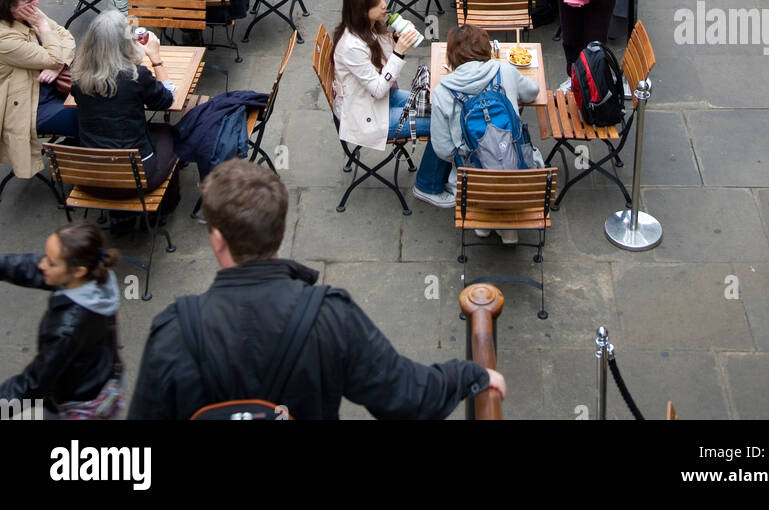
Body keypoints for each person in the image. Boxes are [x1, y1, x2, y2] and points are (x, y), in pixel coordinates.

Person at [129, 159, 501, 418]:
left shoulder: (174, 330)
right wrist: (474, 374)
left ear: (216, 240)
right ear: (280, 230)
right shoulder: (328, 316)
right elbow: (408, 397)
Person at [334, 0, 453, 208]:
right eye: (377, 1)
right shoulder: (352, 46)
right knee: (442, 123)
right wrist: (399, 53)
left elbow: (385, 71)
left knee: (441, 107)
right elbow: (379, 88)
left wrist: (394, 38)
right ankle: (427, 186)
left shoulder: (368, 28)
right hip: (364, 115)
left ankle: (444, 170)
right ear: (362, 9)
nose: (384, 4)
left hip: (374, 100)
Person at [0, 223, 123, 418]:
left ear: (78, 271)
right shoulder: (96, 277)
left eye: (51, 262)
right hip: (99, 375)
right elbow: (31, 267)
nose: (42, 265)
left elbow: (34, 384)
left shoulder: (66, 329)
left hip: (75, 399)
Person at [430, 25, 538, 244]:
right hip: (518, 174)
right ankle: (507, 229)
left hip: (472, 182)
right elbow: (533, 92)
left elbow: (442, 150)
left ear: (451, 56)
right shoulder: (504, 71)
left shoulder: (442, 91)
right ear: (486, 49)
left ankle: (483, 223)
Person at [70, 11, 178, 204]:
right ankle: (167, 205)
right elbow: (167, 100)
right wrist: (155, 58)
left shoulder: (78, 76)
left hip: (90, 177)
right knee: (170, 133)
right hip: (136, 178)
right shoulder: (136, 76)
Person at [0, 0, 77, 178]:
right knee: (91, 116)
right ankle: (82, 165)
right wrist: (43, 26)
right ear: (8, 6)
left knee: (102, 99)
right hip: (28, 106)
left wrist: (58, 67)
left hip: (51, 86)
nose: (36, 3)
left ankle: (78, 152)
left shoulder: (26, 13)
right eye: (28, 1)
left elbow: (66, 36)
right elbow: (53, 55)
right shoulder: (4, 39)